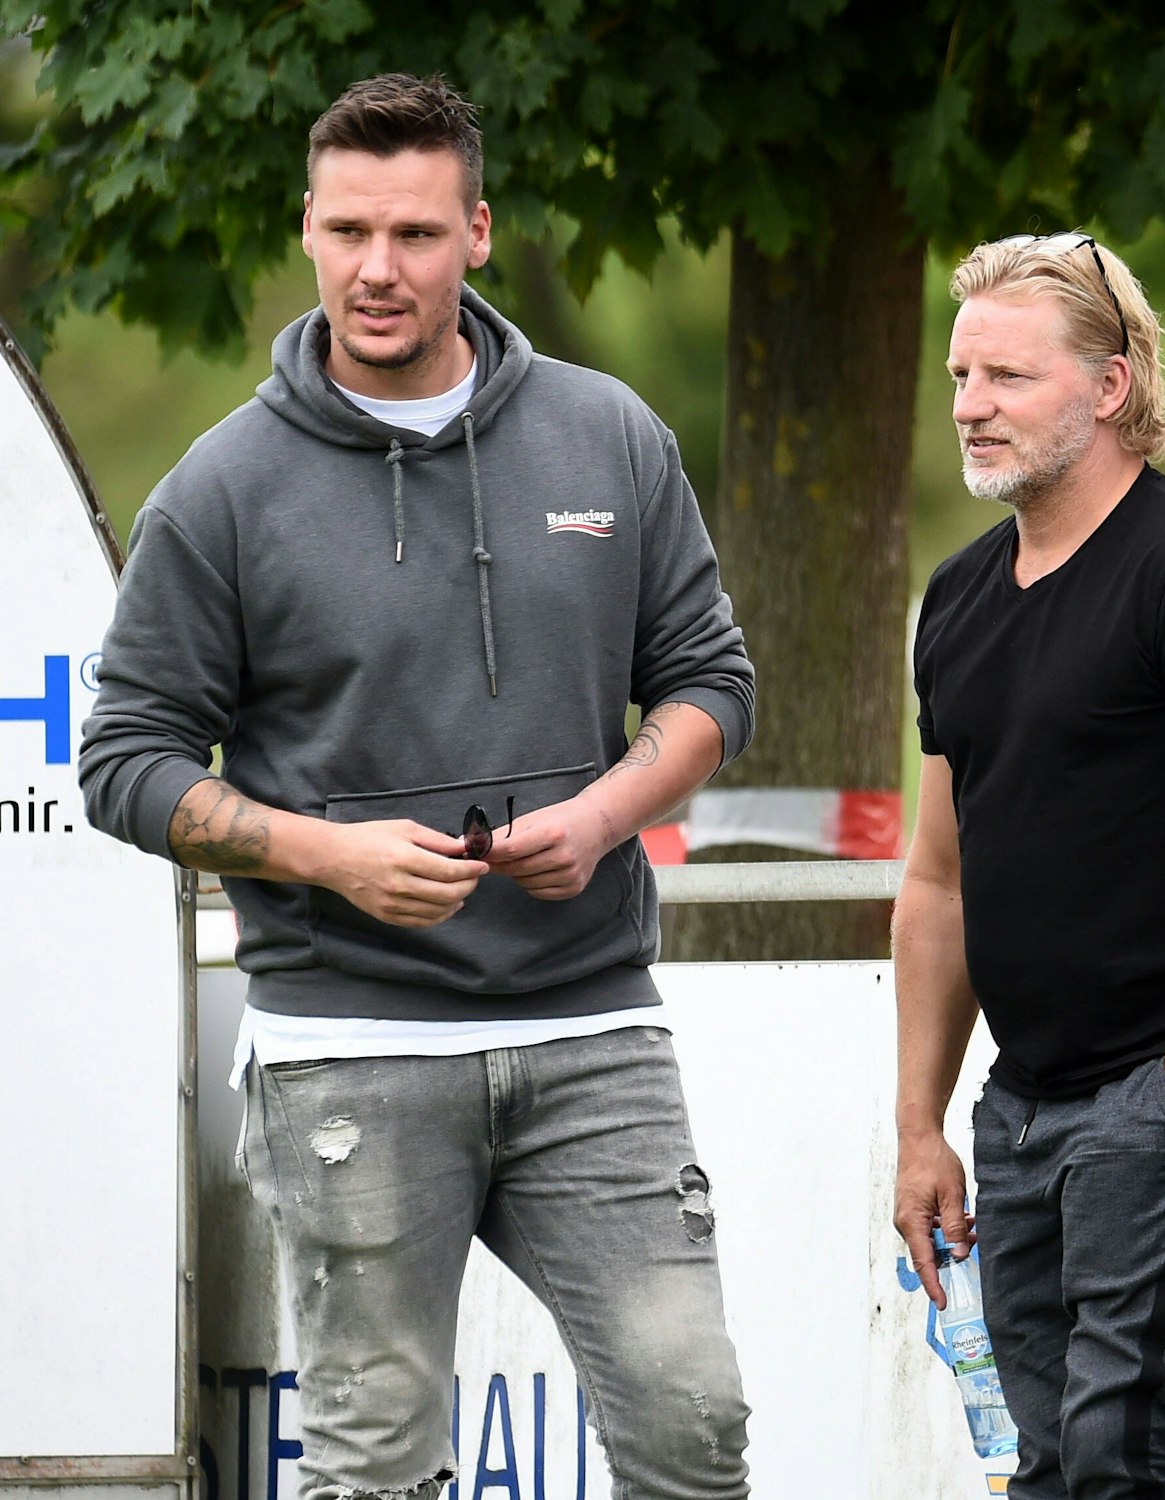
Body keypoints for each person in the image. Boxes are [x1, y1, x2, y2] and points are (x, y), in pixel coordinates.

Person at [79, 74, 754, 1500]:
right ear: (309, 233)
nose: (378, 269)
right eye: (347, 231)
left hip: (595, 1028)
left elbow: (711, 683)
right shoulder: (221, 489)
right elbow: (125, 763)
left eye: (416, 232)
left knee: (695, 1432)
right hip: (348, 1045)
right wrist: (327, 859)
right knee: (375, 1472)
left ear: (479, 234)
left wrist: (606, 813)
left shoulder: (610, 437)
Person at [891, 233, 1165, 1499]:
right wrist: (920, 1125)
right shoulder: (957, 595)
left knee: (1119, 1441)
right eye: (959, 375)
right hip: (1021, 1103)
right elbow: (937, 883)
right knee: (1046, 1461)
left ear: (1113, 383)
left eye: (1008, 378)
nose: (971, 406)